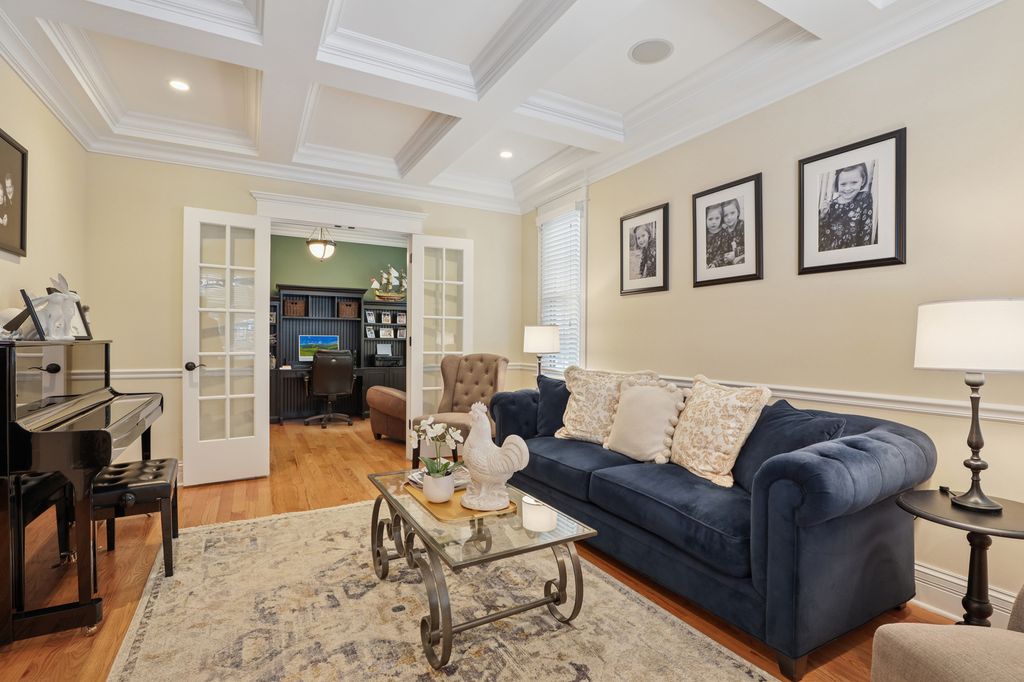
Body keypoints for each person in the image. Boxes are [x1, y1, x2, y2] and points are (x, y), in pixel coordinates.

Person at [818, 162, 875, 251]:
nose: (848, 188)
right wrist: (822, 216)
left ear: (863, 181)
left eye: (854, 182)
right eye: (843, 184)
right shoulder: (831, 205)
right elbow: (821, 236)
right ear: (837, 183)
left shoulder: (864, 198)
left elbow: (866, 232)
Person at [706, 203, 738, 268]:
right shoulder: (704, 233)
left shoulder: (724, 234)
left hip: (719, 264)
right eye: (710, 219)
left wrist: (715, 263)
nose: (714, 222)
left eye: (717, 218)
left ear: (721, 218)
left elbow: (723, 252)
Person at [720, 198, 745, 265]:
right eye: (725, 215)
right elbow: (722, 251)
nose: (729, 217)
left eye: (732, 213)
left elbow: (750, 246)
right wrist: (725, 257)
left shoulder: (742, 225)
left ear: (738, 212)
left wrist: (735, 253)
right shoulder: (723, 232)